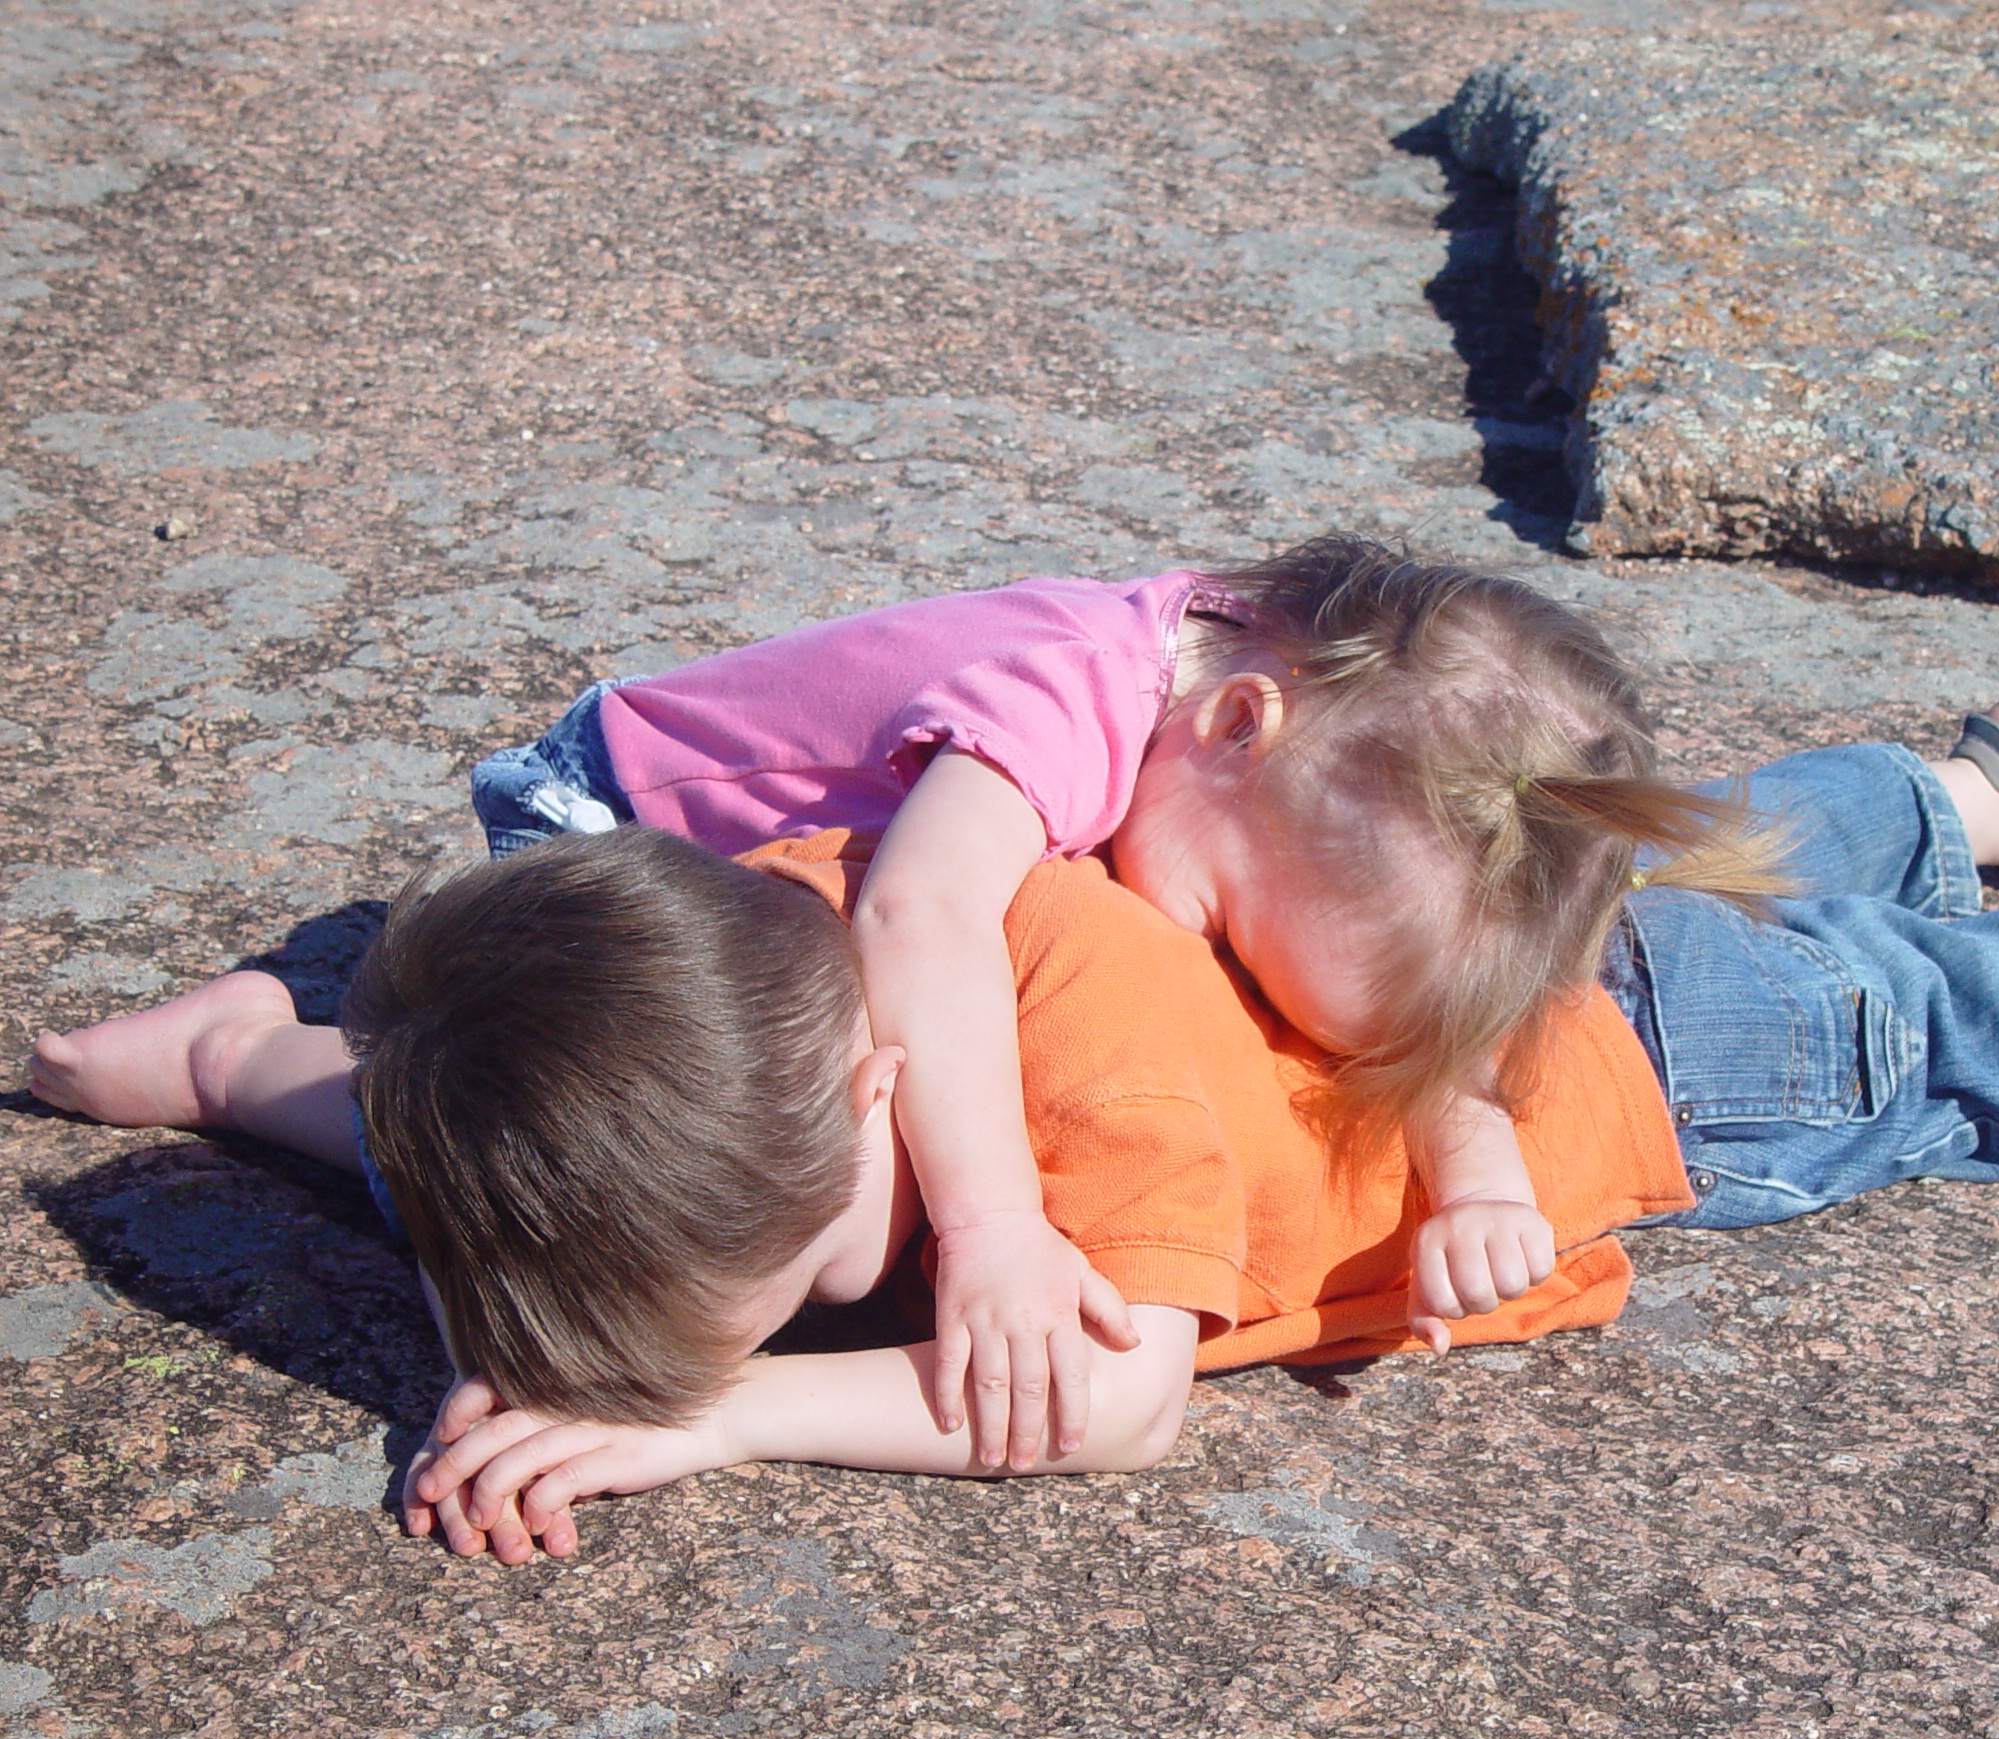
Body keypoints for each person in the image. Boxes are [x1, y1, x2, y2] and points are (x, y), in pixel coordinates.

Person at [30, 647, 1999, 1565]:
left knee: (1928, 1025)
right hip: (1491, 955)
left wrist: (711, 1422)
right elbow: (340, 1087)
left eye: (795, 1269)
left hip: (1646, 1085)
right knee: (1624, 849)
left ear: (892, 1087)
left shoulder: (1099, 1058)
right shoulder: (729, 971)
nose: (710, 1328)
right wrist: (166, 1064)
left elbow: (1113, 1402)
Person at [452, 536, 1780, 1470]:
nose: (1221, 987)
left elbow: (1423, 970)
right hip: (608, 842)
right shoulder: (1067, 698)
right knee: (629, 1168)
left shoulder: (1275, 727)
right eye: (1232, 939)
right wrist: (992, 1227)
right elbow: (924, 915)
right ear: (1238, 727)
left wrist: (1473, 1152)